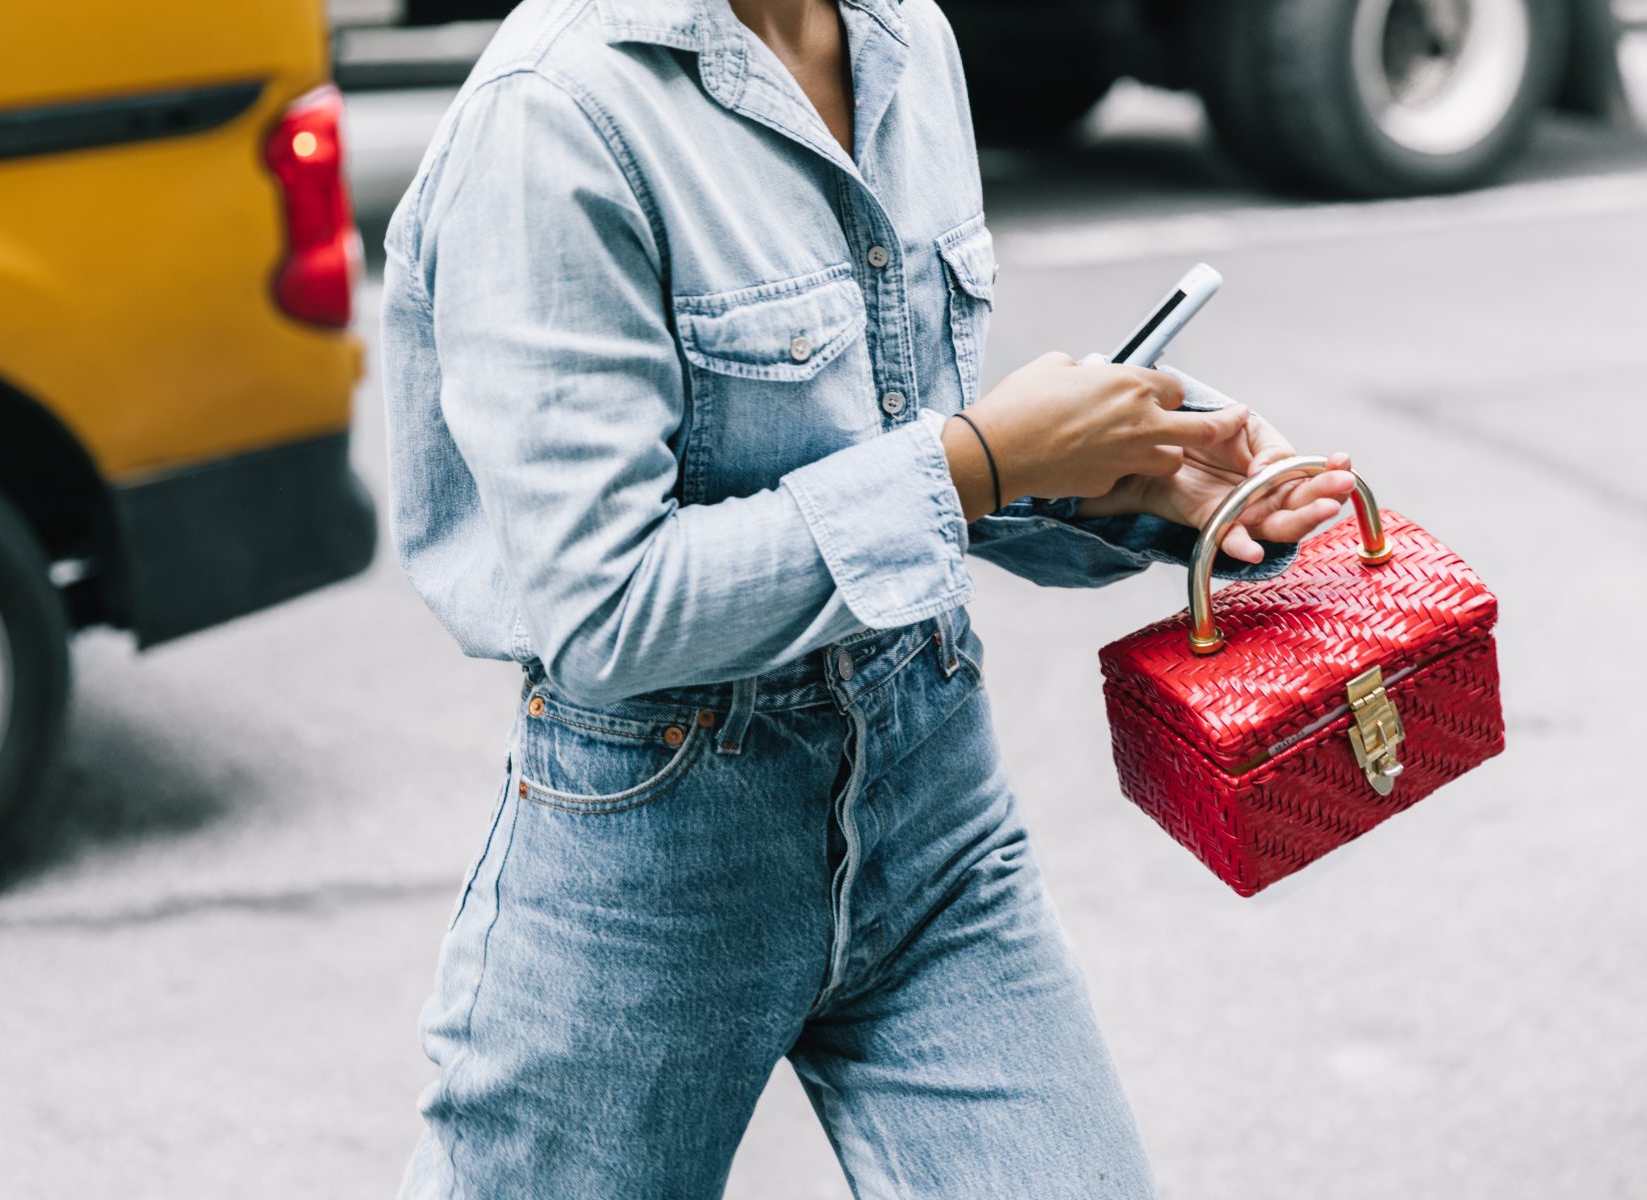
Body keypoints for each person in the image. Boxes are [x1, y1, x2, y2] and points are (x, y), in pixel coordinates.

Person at [380, 0, 1356, 1193]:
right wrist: (985, 460)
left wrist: (1122, 477)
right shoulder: (555, 113)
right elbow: (605, 609)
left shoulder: (905, 37)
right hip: (657, 851)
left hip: (933, 799)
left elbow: (885, 445)